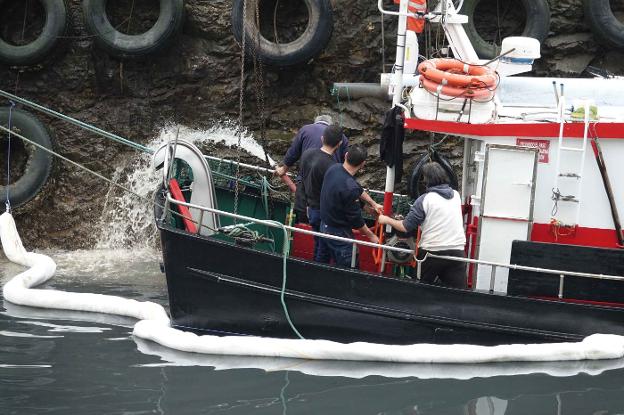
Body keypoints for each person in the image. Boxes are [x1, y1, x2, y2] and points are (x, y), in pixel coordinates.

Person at [377, 161, 467, 288]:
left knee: (419, 289)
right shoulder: (456, 196)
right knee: (459, 294)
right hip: (457, 252)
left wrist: (386, 220)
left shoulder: (425, 199)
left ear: (426, 181)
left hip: (433, 253)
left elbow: (405, 226)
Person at [275, 115, 348, 223]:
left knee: (302, 214)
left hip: (306, 182)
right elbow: (345, 163)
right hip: (328, 185)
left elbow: (293, 153)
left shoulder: (306, 130)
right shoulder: (342, 137)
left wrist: (283, 170)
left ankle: (303, 230)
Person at [319, 144, 379, 268]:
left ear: (346, 155)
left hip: (324, 226)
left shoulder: (334, 169)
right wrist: (372, 236)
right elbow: (356, 220)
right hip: (338, 233)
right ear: (362, 164)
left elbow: (355, 189)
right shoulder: (349, 188)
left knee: (323, 263)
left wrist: (371, 205)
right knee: (349, 266)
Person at [299, 125, 344, 262]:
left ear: (322, 138)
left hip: (310, 208)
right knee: (323, 249)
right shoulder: (333, 167)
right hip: (324, 213)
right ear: (339, 144)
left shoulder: (307, 154)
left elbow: (302, 178)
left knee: (318, 243)